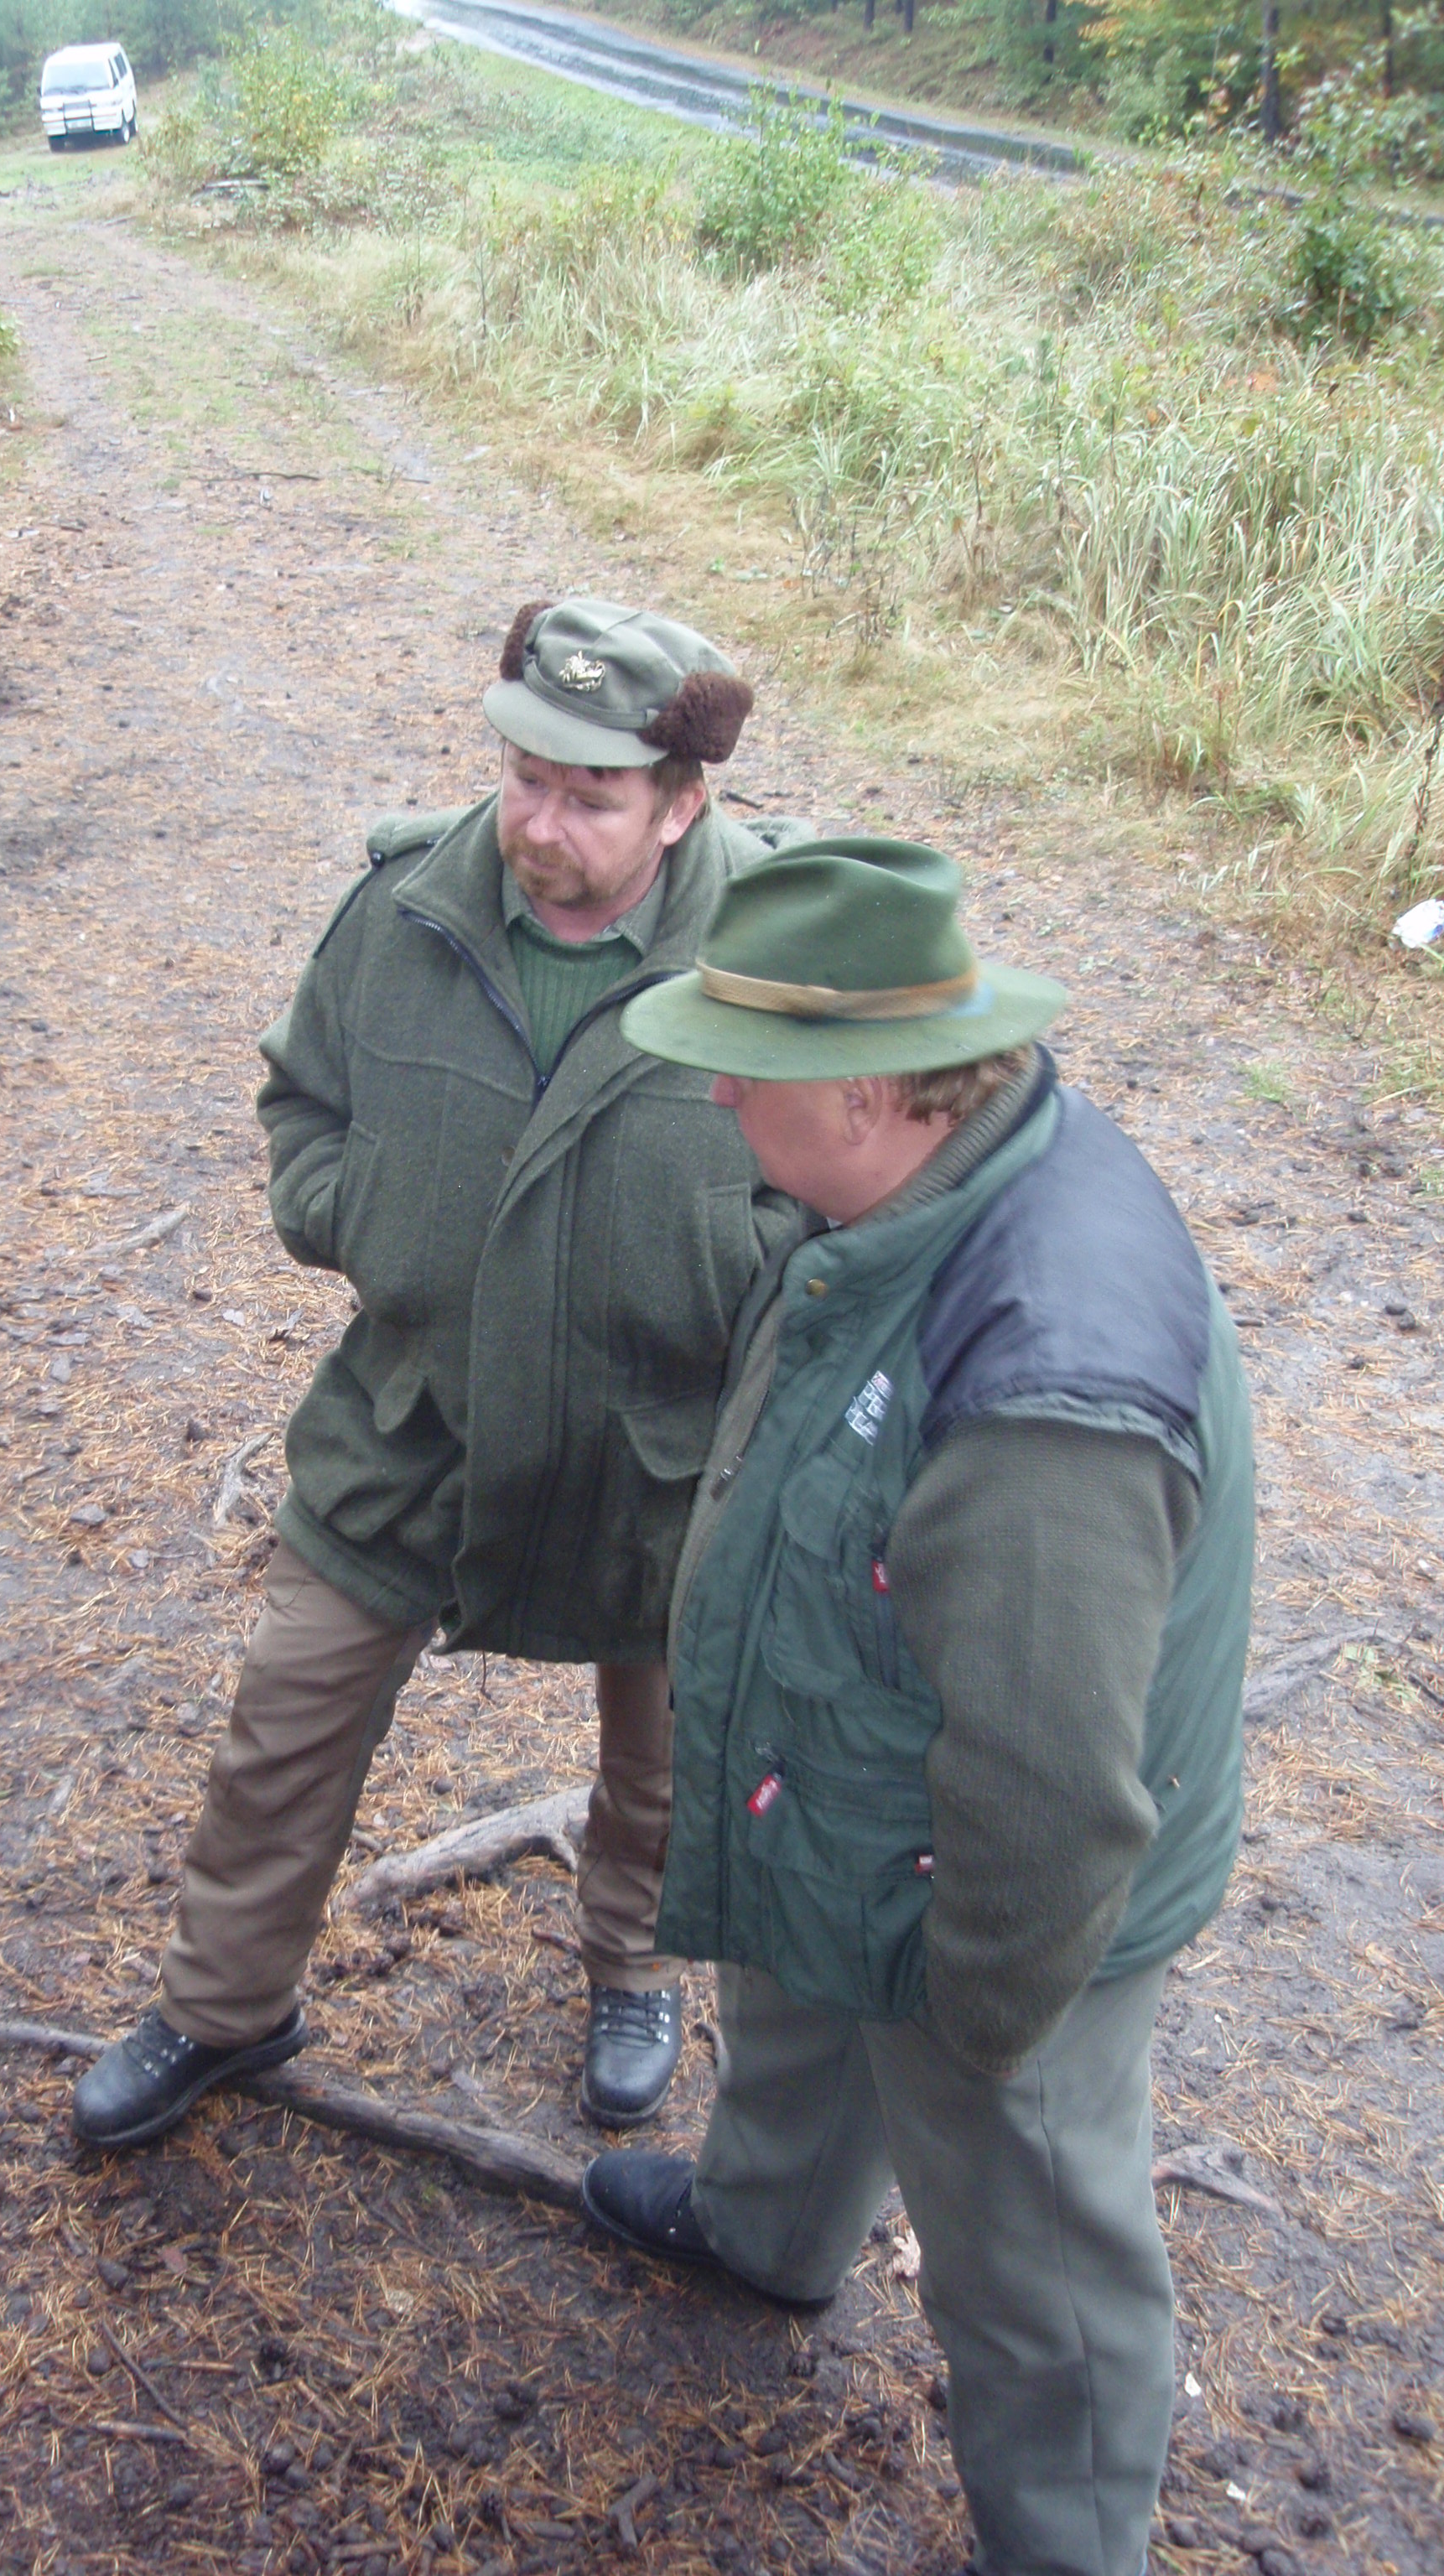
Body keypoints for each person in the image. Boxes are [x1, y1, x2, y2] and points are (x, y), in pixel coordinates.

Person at [584, 839, 1254, 2576]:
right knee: (804, 2012)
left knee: (1032, 2251)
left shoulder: (1049, 1378)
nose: (722, 1093)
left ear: (872, 1087)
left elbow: (1046, 1793)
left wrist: (987, 2013)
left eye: (752, 1066)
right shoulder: (919, 1186)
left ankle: (1066, 2542)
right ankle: (767, 2234)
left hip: (996, 1894)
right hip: (853, 1787)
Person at [74, 598, 815, 2151]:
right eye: (520, 775)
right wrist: (363, 1219)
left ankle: (629, 1966)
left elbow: (840, 1183)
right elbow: (301, 1102)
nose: (537, 823)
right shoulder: (403, 907)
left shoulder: (774, 947)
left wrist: (728, 1271)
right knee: (282, 1720)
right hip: (411, 1411)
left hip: (665, 1446)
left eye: (587, 794)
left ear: (683, 801)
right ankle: (222, 2005)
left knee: (668, 1755)